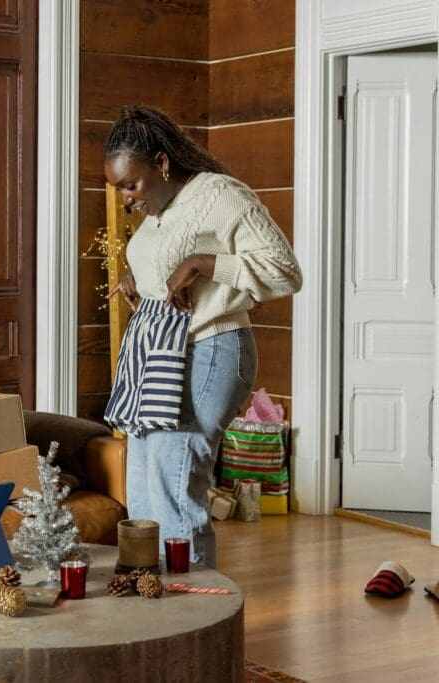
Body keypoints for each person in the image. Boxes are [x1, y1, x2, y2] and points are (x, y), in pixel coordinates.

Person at [102, 105, 302, 568]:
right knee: (142, 493)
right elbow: (166, 263)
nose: (126, 199)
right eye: (119, 189)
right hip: (159, 354)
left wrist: (202, 263)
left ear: (162, 163)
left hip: (211, 347)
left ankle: (196, 610)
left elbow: (285, 272)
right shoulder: (159, 208)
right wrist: (138, 275)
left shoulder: (221, 195)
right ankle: (151, 606)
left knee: (174, 485)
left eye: (131, 184)